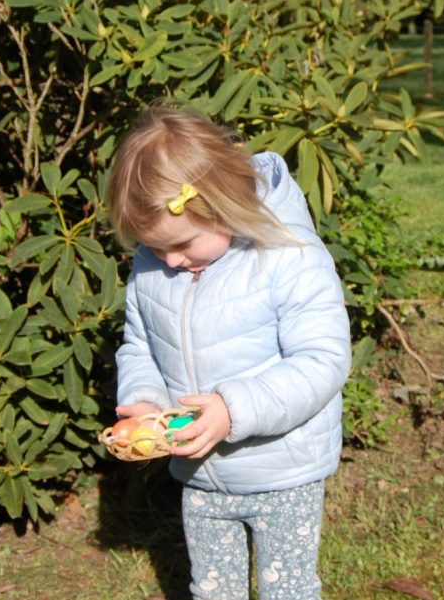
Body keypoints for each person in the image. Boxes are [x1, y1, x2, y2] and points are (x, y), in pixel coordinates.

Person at [106, 106, 351, 600]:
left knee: (289, 590)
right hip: (201, 473)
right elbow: (141, 344)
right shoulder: (155, 263)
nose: (170, 261)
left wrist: (233, 409)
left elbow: (322, 360)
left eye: (182, 245)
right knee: (213, 589)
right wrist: (148, 402)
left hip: (284, 472)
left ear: (222, 206)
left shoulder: (288, 256)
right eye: (154, 248)